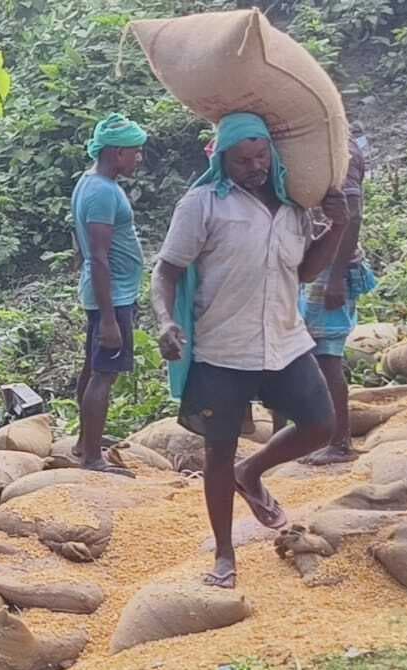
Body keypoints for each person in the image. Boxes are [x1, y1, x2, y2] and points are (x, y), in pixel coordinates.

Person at [151, 113, 350, 588]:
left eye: (261, 156)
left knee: (321, 425)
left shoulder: (294, 206)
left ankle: (252, 471)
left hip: (285, 340)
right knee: (217, 452)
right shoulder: (203, 205)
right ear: (222, 160)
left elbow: (302, 273)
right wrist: (164, 320)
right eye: (243, 160)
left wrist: (337, 227)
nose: (255, 167)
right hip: (223, 349)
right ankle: (224, 554)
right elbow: (166, 270)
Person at [70, 114, 148, 475]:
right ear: (117, 153)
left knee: (93, 368)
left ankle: (85, 441)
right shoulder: (101, 192)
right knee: (103, 374)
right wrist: (108, 319)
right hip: (111, 297)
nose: (139, 158)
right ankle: (92, 458)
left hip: (111, 294)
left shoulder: (93, 184)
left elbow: (84, 249)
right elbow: (98, 256)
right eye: (136, 151)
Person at [295, 132, 376, 464]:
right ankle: (321, 434)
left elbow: (352, 216)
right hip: (316, 262)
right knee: (311, 353)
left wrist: (337, 277)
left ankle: (340, 442)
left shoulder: (343, 150)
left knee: (326, 356)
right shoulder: (318, 145)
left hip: (331, 267)